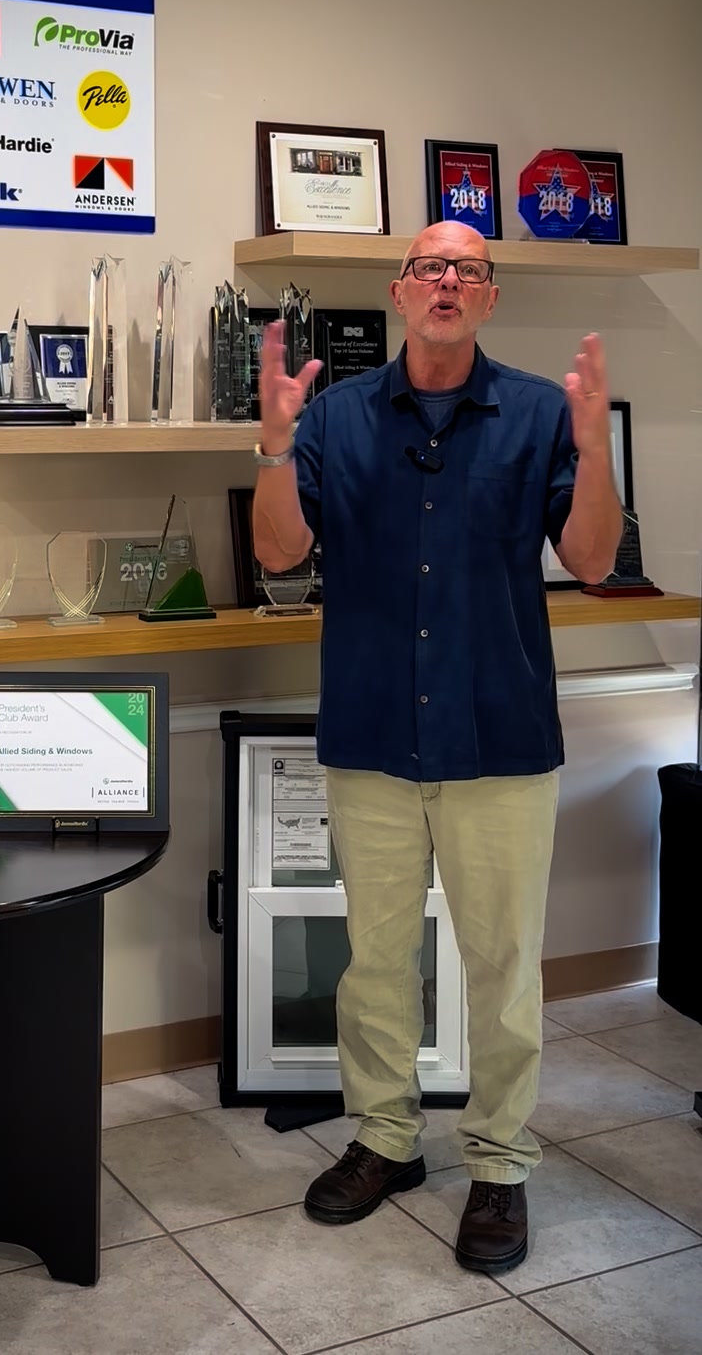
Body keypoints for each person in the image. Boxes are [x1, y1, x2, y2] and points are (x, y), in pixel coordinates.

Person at [252, 220, 622, 1274]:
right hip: (372, 728)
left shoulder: (541, 415)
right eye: (429, 266)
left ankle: (500, 1162)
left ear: (489, 296)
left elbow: (593, 559)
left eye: (467, 268)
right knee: (376, 959)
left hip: (498, 731)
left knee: (501, 965)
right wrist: (274, 448)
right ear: (400, 291)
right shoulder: (334, 417)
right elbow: (279, 552)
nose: (447, 280)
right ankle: (385, 1140)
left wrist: (595, 451)